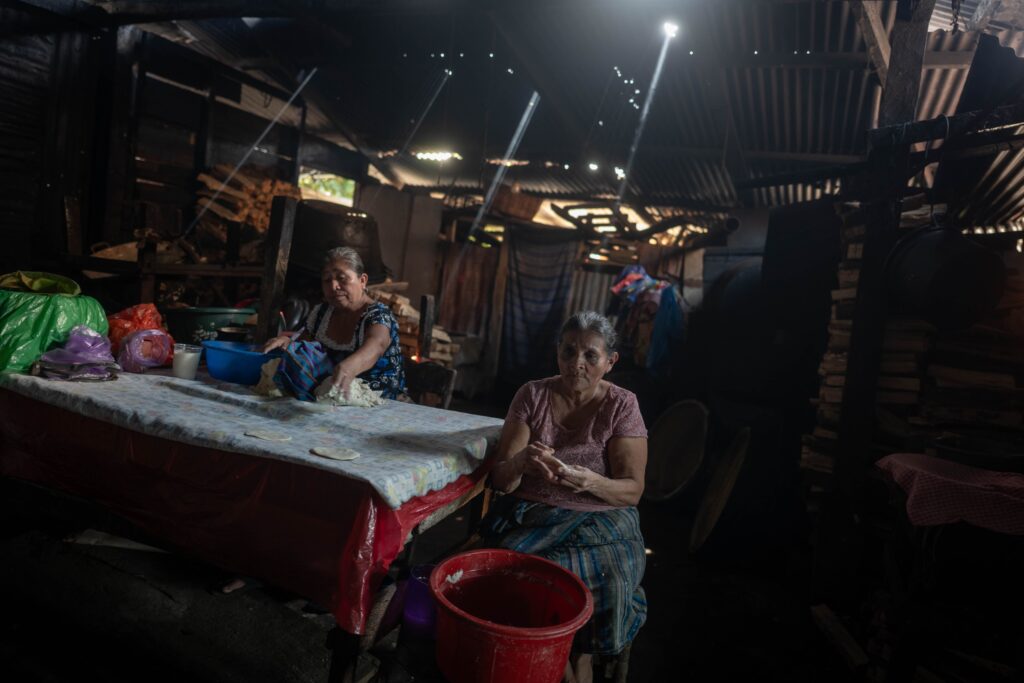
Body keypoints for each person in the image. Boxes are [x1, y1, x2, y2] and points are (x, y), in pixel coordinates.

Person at [485, 310, 648, 683]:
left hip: (604, 517)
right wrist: (522, 462)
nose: (577, 363)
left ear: (610, 362)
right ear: (557, 352)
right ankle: (564, 658)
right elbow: (501, 480)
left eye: (591, 355)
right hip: (533, 514)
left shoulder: (622, 405)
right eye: (569, 351)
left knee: (611, 575)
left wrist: (590, 482)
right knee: (518, 574)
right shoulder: (532, 395)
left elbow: (632, 490)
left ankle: (578, 653)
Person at [262, 246, 406, 399]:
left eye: (342, 278)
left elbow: (377, 344)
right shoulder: (321, 313)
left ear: (362, 281)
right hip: (331, 399)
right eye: (327, 280)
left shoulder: (378, 315)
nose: (333, 286)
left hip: (377, 403)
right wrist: (288, 342)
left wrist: (350, 367)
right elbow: (303, 345)